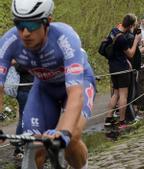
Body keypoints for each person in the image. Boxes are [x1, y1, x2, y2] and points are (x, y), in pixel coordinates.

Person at [0, 0, 96, 168]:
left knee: (71, 139)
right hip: (44, 88)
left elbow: (75, 93)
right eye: (19, 24)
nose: (25, 32)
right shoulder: (9, 41)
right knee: (34, 145)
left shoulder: (65, 38)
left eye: (31, 25)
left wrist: (63, 132)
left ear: (47, 22)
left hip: (77, 85)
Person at [104, 13, 142, 129]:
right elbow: (130, 54)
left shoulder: (114, 31)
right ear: (130, 25)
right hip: (122, 68)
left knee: (115, 93)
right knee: (123, 95)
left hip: (113, 66)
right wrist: (136, 41)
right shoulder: (122, 38)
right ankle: (122, 121)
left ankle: (109, 118)